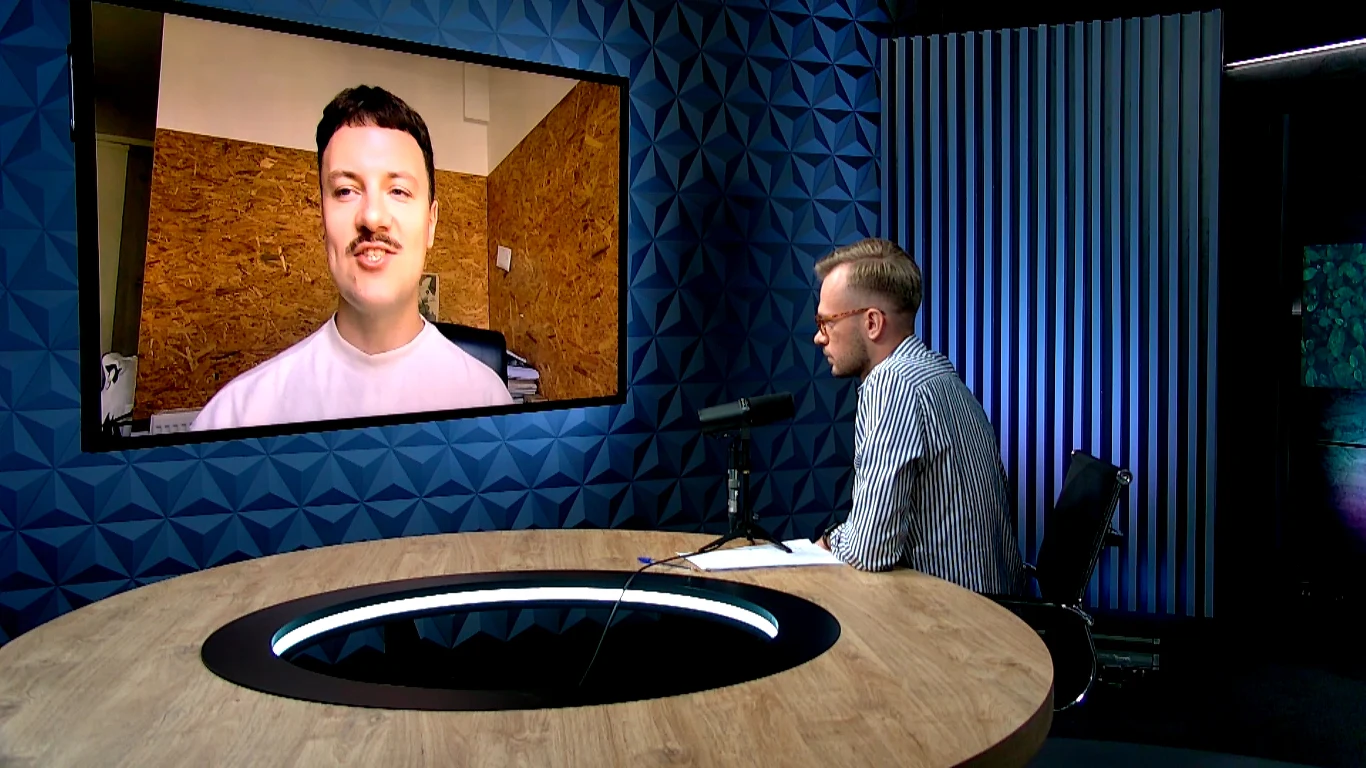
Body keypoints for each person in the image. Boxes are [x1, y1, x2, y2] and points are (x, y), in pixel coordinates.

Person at [191, 85, 512, 432]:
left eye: (398, 190)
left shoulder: (492, 408)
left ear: (431, 223)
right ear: (323, 218)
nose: (372, 217)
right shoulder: (234, 419)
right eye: (345, 190)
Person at [811, 237, 1026, 596]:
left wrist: (831, 540)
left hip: (953, 619)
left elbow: (870, 550)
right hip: (994, 606)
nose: (819, 338)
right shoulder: (936, 372)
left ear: (873, 323)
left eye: (826, 322)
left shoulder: (892, 385)